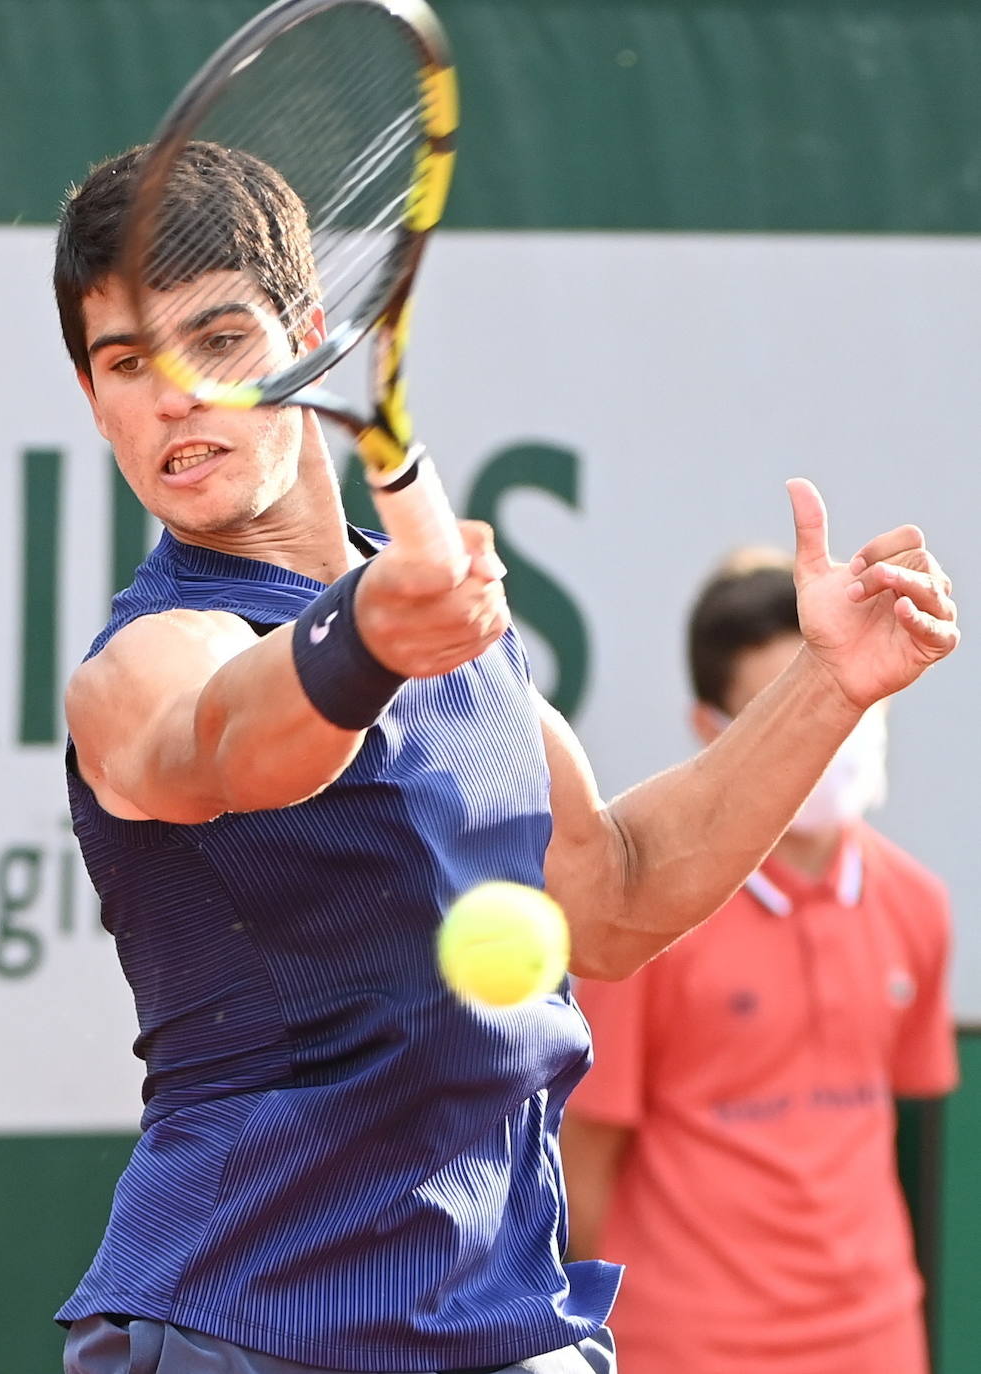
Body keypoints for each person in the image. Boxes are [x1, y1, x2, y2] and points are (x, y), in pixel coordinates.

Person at [51, 141, 959, 1374]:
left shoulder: (463, 645)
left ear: (311, 338)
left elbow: (620, 894)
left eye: (217, 343)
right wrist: (363, 636)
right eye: (125, 364)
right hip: (241, 1328)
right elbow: (216, 743)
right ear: (97, 402)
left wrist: (832, 683)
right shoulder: (150, 658)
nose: (174, 397)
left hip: (507, 1326)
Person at [561, 548, 958, 1374]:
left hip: (878, 1340)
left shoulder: (918, 905)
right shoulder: (641, 922)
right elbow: (581, 1162)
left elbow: (889, 1130)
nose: (833, 738)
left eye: (846, 702)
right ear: (711, 731)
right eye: (795, 710)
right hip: (685, 1347)